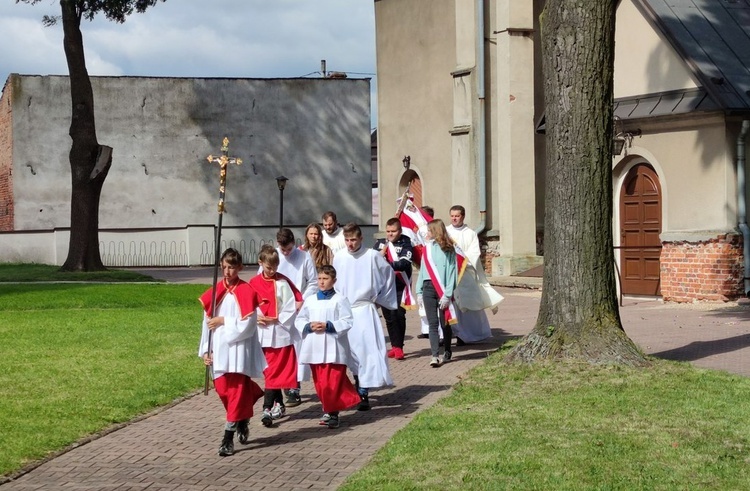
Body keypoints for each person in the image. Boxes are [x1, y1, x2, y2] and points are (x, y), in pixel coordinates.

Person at [198, 248, 266, 456]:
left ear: (240, 268)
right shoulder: (215, 291)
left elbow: (249, 325)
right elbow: (206, 323)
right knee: (222, 389)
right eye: (224, 267)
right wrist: (205, 351)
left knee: (235, 391)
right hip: (218, 346)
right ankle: (244, 411)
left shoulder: (246, 291)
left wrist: (224, 321)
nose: (227, 271)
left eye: (232, 267)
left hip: (238, 348)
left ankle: (228, 437)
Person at [332, 223, 397, 410]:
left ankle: (363, 392)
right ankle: (351, 387)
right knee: (347, 352)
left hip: (363, 309)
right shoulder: (339, 256)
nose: (350, 244)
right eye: (347, 240)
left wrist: (379, 299)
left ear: (361, 239)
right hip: (344, 310)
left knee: (365, 352)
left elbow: (388, 277)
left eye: (353, 240)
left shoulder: (372, 256)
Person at [294, 265, 361, 428]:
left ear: (334, 281)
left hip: (333, 347)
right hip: (315, 347)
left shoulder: (340, 299)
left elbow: (347, 321)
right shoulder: (310, 300)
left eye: (326, 279)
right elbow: (299, 319)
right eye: (320, 278)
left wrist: (329, 326)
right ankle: (328, 408)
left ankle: (333, 413)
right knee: (321, 383)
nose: (322, 282)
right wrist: (309, 326)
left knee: (333, 381)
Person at [248, 245, 300, 427]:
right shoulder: (253, 283)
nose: (272, 271)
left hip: (279, 333)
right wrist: (257, 316)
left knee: (274, 373)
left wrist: (277, 317)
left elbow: (290, 305)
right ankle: (279, 403)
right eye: (268, 267)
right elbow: (247, 304)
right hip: (262, 333)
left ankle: (267, 408)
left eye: (275, 267)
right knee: (270, 372)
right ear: (260, 263)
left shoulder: (282, 283)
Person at [273, 227, 318, 406]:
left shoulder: (303, 256)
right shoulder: (274, 256)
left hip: (298, 309)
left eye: (289, 249)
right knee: (281, 348)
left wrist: (302, 299)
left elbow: (313, 281)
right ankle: (283, 385)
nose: (286, 253)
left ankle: (294, 388)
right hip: (278, 309)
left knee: (296, 349)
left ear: (294, 242)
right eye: (283, 250)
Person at [446, 205, 503, 344]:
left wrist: (463, 262)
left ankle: (470, 335)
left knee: (469, 306)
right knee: (452, 305)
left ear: (463, 216)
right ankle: (453, 333)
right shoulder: (446, 232)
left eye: (457, 216)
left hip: (465, 274)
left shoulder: (470, 233)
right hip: (449, 274)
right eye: (452, 216)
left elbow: (474, 253)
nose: (454, 218)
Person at [415, 219, 457, 367]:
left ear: (436, 231)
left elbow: (452, 273)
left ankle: (447, 350)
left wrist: (448, 294)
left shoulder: (449, 249)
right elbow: (422, 271)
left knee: (444, 322)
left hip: (443, 289)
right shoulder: (426, 249)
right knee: (432, 323)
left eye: (430, 230)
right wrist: (419, 291)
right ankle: (434, 355)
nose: (427, 233)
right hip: (428, 287)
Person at [373, 217, 414, 360]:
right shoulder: (380, 243)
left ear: (400, 230)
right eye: (388, 231)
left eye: (393, 231)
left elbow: (404, 263)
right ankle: (394, 346)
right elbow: (373, 260)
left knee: (398, 315)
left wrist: (385, 263)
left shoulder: (406, 243)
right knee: (388, 317)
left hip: (400, 285)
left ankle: (400, 347)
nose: (390, 234)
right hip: (384, 287)